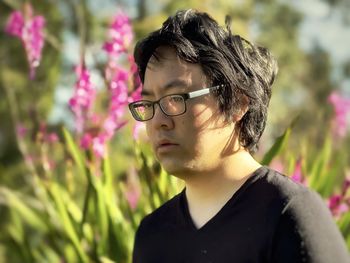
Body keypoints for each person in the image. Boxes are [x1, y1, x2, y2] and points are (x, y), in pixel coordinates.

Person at [128, 9, 350, 263]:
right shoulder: (152, 236)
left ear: (237, 103)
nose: (158, 122)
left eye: (176, 99)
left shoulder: (288, 215)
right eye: (149, 103)